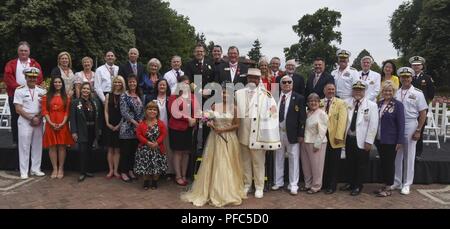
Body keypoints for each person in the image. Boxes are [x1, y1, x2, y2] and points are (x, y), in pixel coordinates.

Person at [181, 84, 246, 207]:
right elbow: (207, 120)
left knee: (227, 163)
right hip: (214, 139)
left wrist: (224, 130)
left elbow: (237, 125)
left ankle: (227, 190)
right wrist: (209, 123)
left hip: (229, 139)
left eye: (227, 93)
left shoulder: (235, 108)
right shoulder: (214, 106)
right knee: (214, 162)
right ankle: (212, 190)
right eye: (222, 93)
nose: (224, 95)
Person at [236, 68, 281, 199]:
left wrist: (268, 133)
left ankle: (259, 187)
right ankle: (247, 185)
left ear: (259, 79)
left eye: (255, 78)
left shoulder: (266, 95)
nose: (252, 80)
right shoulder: (238, 93)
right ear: (247, 78)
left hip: (258, 134)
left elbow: (273, 114)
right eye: (250, 77)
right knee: (245, 161)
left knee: (258, 162)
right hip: (243, 132)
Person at [394, 67, 427, 195]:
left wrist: (418, 130)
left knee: (409, 155)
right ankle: (397, 181)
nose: (405, 79)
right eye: (403, 77)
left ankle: (407, 183)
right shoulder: (396, 92)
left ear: (411, 78)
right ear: (400, 78)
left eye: (407, 77)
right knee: (397, 154)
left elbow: (423, 113)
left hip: (410, 123)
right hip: (397, 125)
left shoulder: (418, 93)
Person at [342, 81, 379, 196]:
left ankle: (358, 185)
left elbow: (373, 125)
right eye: (356, 89)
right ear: (352, 91)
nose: (358, 92)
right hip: (349, 138)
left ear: (364, 91)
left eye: (360, 90)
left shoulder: (371, 105)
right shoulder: (346, 103)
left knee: (361, 164)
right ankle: (350, 183)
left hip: (363, 140)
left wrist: (369, 141)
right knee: (350, 162)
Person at [4, 41, 43, 146]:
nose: (23, 52)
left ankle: (32, 139)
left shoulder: (35, 63)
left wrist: (29, 89)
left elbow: (39, 78)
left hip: (32, 95)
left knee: (32, 115)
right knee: (15, 117)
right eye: (21, 50)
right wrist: (21, 90)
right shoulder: (11, 64)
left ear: (29, 52)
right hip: (15, 95)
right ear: (18, 51)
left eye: (25, 50)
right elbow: (8, 78)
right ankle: (16, 140)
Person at [272, 75, 306, 195]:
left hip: (292, 134)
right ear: (280, 84)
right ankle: (278, 182)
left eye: (289, 82)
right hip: (277, 132)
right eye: (284, 82)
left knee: (293, 159)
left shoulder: (299, 98)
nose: (286, 84)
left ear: (292, 84)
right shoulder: (274, 97)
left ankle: (293, 184)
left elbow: (302, 118)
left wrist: (301, 134)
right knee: (278, 158)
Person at [13, 67, 46, 179]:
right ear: (25, 77)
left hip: (39, 120)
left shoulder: (42, 91)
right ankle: (24, 171)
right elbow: (18, 108)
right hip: (25, 120)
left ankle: (35, 169)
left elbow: (45, 107)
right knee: (24, 146)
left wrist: (38, 117)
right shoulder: (19, 90)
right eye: (30, 77)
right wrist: (31, 118)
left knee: (37, 145)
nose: (32, 79)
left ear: (37, 78)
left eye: (34, 77)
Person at [374, 81, 405, 197]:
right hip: (379, 139)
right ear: (382, 92)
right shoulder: (378, 103)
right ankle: (384, 184)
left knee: (389, 163)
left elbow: (401, 124)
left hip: (391, 140)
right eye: (385, 90)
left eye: (390, 90)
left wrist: (400, 140)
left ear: (393, 92)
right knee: (383, 163)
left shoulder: (398, 105)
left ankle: (389, 187)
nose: (387, 92)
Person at [168, 75, 199, 186]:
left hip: (189, 129)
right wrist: (188, 118)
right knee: (178, 152)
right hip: (176, 128)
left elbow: (197, 110)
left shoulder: (192, 96)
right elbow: (173, 112)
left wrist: (195, 118)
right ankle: (178, 175)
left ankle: (184, 174)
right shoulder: (174, 96)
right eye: (183, 83)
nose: (185, 85)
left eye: (187, 83)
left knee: (186, 152)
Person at [42, 76, 75, 179]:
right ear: (52, 84)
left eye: (59, 82)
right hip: (50, 123)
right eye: (55, 82)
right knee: (52, 147)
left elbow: (67, 112)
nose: (57, 84)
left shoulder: (67, 97)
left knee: (61, 147)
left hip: (62, 124)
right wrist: (51, 122)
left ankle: (61, 168)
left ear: (62, 84)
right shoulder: (46, 96)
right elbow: (45, 111)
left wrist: (63, 123)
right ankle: (54, 168)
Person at [70, 82, 102, 182]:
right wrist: (74, 132)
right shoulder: (75, 102)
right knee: (83, 151)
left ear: (90, 91)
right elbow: (72, 118)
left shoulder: (95, 102)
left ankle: (88, 170)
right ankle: (82, 172)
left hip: (93, 129)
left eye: (88, 89)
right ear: (81, 90)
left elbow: (99, 117)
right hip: (81, 130)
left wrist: (99, 129)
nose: (85, 91)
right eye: (84, 88)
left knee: (90, 151)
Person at [134, 101, 168, 190]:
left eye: (154, 109)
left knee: (156, 167)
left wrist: (157, 143)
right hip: (144, 149)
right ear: (146, 111)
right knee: (145, 167)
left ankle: (154, 181)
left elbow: (164, 134)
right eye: (150, 109)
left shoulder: (161, 123)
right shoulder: (142, 124)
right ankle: (146, 182)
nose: (152, 111)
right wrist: (147, 142)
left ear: (157, 112)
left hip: (157, 148)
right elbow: (138, 134)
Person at [321, 83, 348, 194]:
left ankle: (332, 186)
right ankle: (324, 184)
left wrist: (339, 136)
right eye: (328, 89)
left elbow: (342, 121)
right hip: (322, 137)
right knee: (324, 162)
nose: (331, 91)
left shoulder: (341, 103)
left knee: (334, 163)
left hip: (334, 137)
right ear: (324, 91)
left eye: (333, 89)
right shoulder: (320, 102)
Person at [301, 93, 328, 194]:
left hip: (317, 143)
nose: (313, 103)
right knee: (306, 166)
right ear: (307, 103)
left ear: (319, 102)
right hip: (305, 142)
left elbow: (322, 130)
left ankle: (316, 186)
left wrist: (317, 144)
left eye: (315, 101)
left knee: (317, 166)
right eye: (311, 101)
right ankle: (308, 184)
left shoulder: (321, 113)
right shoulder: (307, 112)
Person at [119, 74, 144, 182]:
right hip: (127, 127)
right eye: (130, 82)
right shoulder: (124, 95)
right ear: (127, 83)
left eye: (134, 82)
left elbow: (142, 110)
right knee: (125, 151)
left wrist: (141, 122)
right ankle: (123, 172)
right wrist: (135, 122)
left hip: (137, 128)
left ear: (136, 83)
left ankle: (130, 170)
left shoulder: (140, 95)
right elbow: (124, 112)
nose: (132, 84)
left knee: (133, 151)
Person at [409, 56, 435, 160]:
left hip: (421, 109)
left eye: (418, 65)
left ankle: (417, 153)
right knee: (409, 129)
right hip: (409, 107)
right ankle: (408, 151)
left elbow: (431, 94)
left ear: (422, 66)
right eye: (414, 65)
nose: (416, 67)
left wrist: (423, 105)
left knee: (419, 129)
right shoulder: (408, 76)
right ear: (411, 66)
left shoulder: (427, 78)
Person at [104, 76, 126, 179]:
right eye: (116, 82)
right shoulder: (108, 95)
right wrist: (107, 123)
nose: (117, 84)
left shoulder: (124, 95)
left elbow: (125, 113)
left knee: (117, 150)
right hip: (109, 125)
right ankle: (110, 170)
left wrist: (119, 125)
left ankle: (116, 170)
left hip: (120, 125)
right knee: (110, 149)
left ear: (122, 84)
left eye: (119, 82)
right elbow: (106, 111)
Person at [152, 79, 174, 176]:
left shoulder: (170, 99)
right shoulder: (152, 98)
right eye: (160, 85)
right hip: (155, 129)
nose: (162, 87)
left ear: (167, 87)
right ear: (157, 86)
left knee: (168, 150)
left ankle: (168, 171)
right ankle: (157, 171)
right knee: (156, 151)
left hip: (168, 128)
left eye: (164, 85)